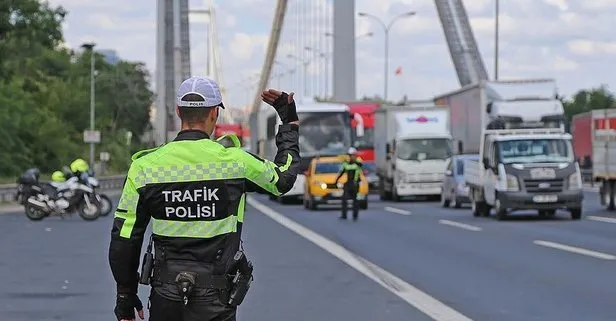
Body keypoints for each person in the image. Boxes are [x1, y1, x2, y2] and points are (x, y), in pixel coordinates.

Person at [108, 76, 301, 321]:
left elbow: (125, 238)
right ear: (214, 113)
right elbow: (283, 179)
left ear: (178, 112)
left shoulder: (145, 168)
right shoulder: (236, 163)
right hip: (216, 298)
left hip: (166, 297)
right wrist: (289, 124)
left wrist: (125, 295)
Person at [335, 147, 363, 221]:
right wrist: (336, 180)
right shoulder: (346, 164)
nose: (351, 157)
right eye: (350, 155)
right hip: (348, 183)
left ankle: (355, 215)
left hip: (355, 184)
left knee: (355, 201)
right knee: (344, 199)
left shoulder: (358, 162)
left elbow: (361, 165)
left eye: (353, 155)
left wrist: (355, 161)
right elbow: (341, 172)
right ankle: (344, 215)